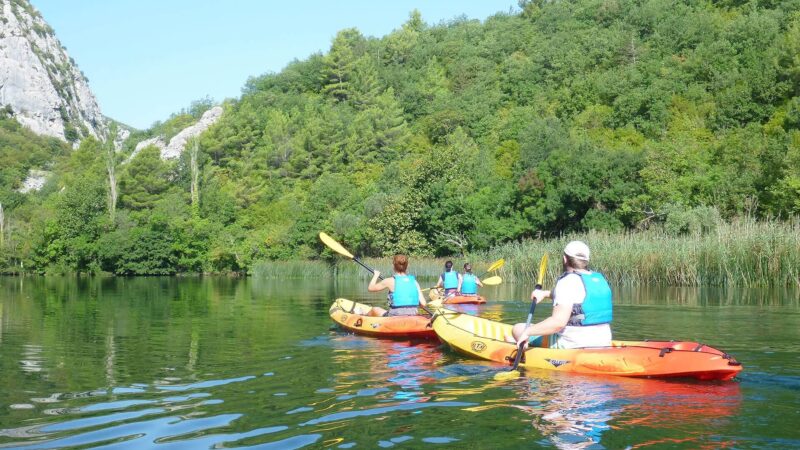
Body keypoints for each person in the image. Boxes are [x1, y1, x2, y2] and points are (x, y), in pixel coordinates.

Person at [510, 241, 612, 349]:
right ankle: (518, 341)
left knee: (518, 329)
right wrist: (544, 293)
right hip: (604, 341)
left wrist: (527, 332)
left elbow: (558, 323)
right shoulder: (598, 279)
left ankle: (520, 343)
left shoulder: (567, 281)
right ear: (586, 261)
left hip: (573, 345)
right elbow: (578, 298)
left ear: (565, 259)